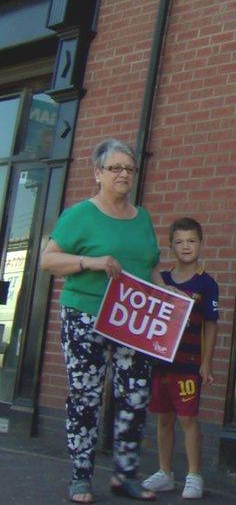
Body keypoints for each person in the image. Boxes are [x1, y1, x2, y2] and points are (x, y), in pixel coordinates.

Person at [39, 138, 163, 502]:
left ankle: (125, 475)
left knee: (136, 395)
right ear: (98, 174)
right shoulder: (80, 215)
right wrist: (89, 262)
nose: (124, 174)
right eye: (115, 168)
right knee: (85, 396)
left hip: (133, 320)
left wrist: (170, 295)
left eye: (129, 168)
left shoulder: (143, 218)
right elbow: (48, 260)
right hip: (86, 316)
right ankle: (80, 476)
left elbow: (149, 266)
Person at [141, 218, 219, 499]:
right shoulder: (163, 280)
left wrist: (206, 362)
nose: (186, 246)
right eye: (180, 241)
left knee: (188, 419)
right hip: (161, 362)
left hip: (188, 364)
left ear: (200, 243)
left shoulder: (207, 284)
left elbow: (211, 324)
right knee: (163, 419)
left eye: (192, 241)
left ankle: (194, 475)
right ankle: (165, 472)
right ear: (171, 246)